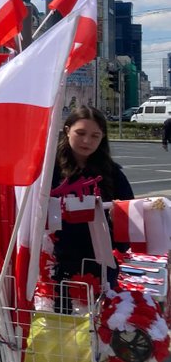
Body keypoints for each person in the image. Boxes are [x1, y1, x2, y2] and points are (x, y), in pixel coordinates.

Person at [51, 106, 134, 305]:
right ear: (67, 130)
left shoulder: (112, 173)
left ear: (102, 137)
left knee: (98, 327)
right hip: (56, 261)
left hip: (99, 262)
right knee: (61, 325)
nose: (87, 141)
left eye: (95, 136)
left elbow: (130, 216)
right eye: (80, 133)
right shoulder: (48, 169)